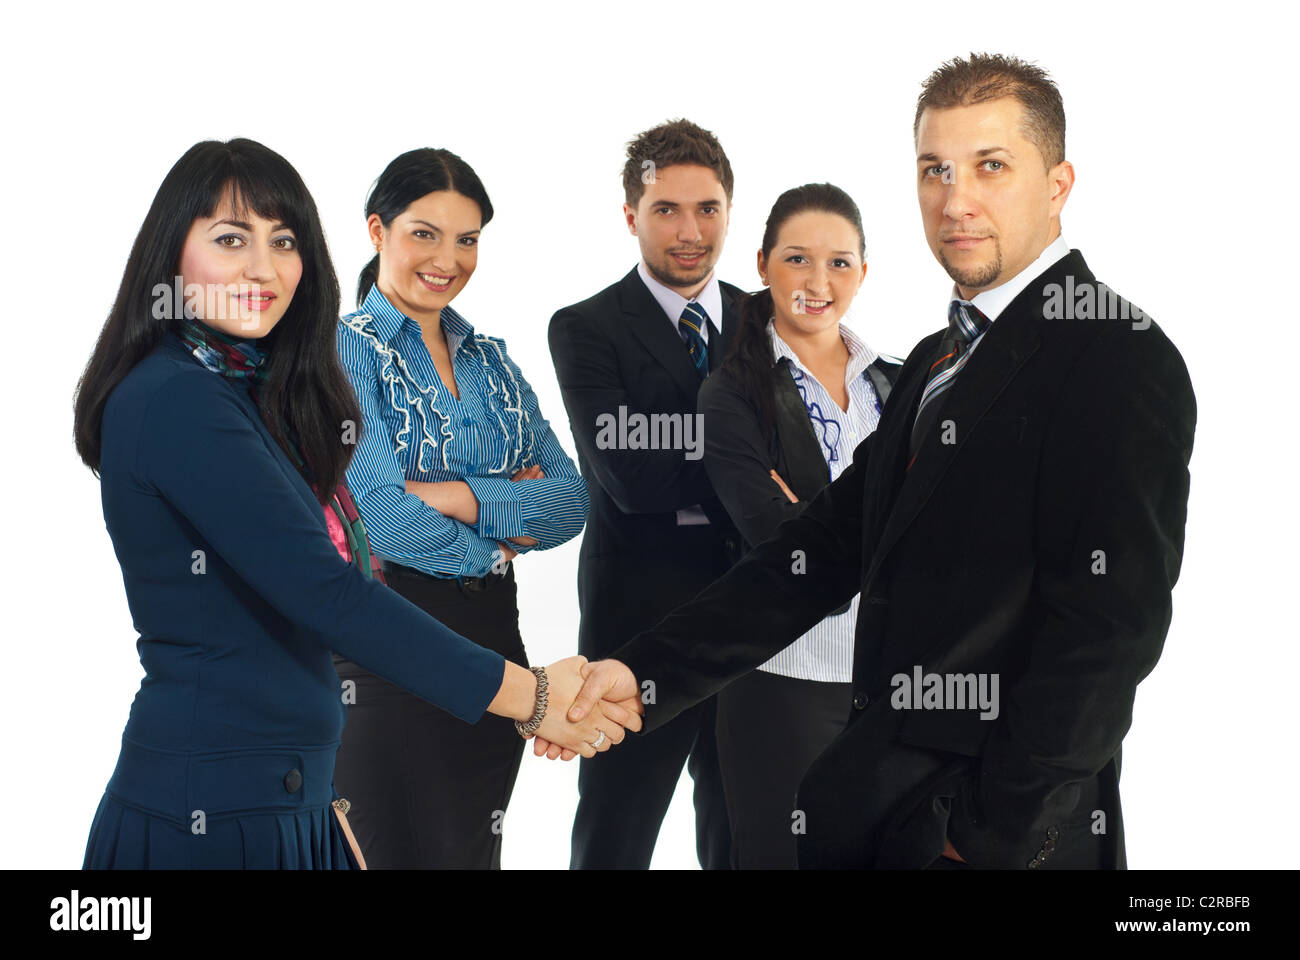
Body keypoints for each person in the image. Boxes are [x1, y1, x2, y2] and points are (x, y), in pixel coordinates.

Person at [564, 53, 1197, 869]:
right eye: (935, 169)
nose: (955, 200)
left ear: (1058, 185)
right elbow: (817, 554)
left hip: (996, 840)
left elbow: (1108, 633)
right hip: (876, 810)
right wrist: (642, 673)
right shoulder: (937, 361)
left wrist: (984, 837)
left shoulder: (1117, 355)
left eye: (990, 166)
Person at [72, 138, 636, 869]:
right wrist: (532, 696)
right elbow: (336, 585)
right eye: (230, 238)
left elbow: (565, 499)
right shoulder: (177, 397)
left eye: (285, 241)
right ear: (170, 254)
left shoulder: (247, 392)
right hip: (211, 810)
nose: (264, 267)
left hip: (287, 796)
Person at [331, 148, 589, 869]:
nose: (448, 258)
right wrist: (500, 528)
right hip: (385, 636)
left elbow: (570, 503)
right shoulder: (344, 351)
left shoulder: (493, 362)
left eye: (467, 239)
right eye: (425, 233)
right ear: (377, 230)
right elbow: (378, 519)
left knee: (468, 855)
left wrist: (444, 497)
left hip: (490, 636)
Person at [546, 119, 742, 869]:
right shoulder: (587, 328)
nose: (690, 231)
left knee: (742, 834)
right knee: (615, 840)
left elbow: (804, 461)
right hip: (637, 631)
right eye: (666, 210)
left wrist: (682, 442)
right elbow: (630, 479)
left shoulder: (767, 318)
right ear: (631, 215)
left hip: (754, 625)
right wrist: (742, 457)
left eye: (707, 209)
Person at [697, 183, 900, 867]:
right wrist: (890, 534)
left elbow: (955, 531)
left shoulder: (902, 385)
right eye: (797, 260)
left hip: (891, 680)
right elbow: (778, 541)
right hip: (782, 681)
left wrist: (818, 519)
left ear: (864, 273)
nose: (819, 282)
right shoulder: (732, 393)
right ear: (761, 265)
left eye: (840, 263)